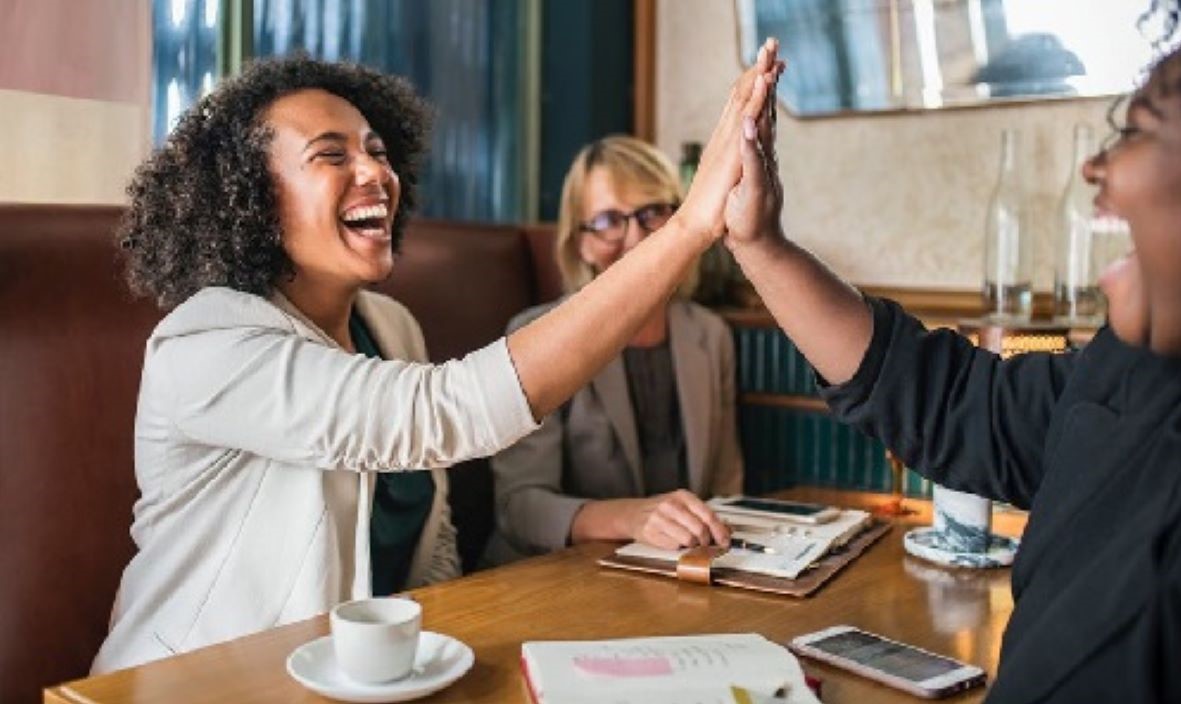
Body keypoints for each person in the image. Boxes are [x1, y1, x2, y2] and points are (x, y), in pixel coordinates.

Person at [92, 46, 783, 673]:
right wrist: (688, 226)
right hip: (192, 683)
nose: (375, 172)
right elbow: (443, 413)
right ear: (249, 198)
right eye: (331, 156)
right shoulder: (206, 342)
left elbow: (433, 540)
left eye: (378, 151)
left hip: (358, 681)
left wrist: (441, 658)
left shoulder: (390, 326)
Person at [724, 24, 1181, 704]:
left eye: (1136, 130)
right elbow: (961, 405)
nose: (1094, 167)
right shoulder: (1133, 368)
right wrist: (761, 245)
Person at [482, 136, 743, 565]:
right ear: (580, 243)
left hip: (675, 571)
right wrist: (631, 518)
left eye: (652, 212)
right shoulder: (535, 336)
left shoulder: (710, 335)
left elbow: (726, 488)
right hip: (555, 574)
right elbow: (520, 509)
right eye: (608, 221)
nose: (637, 239)